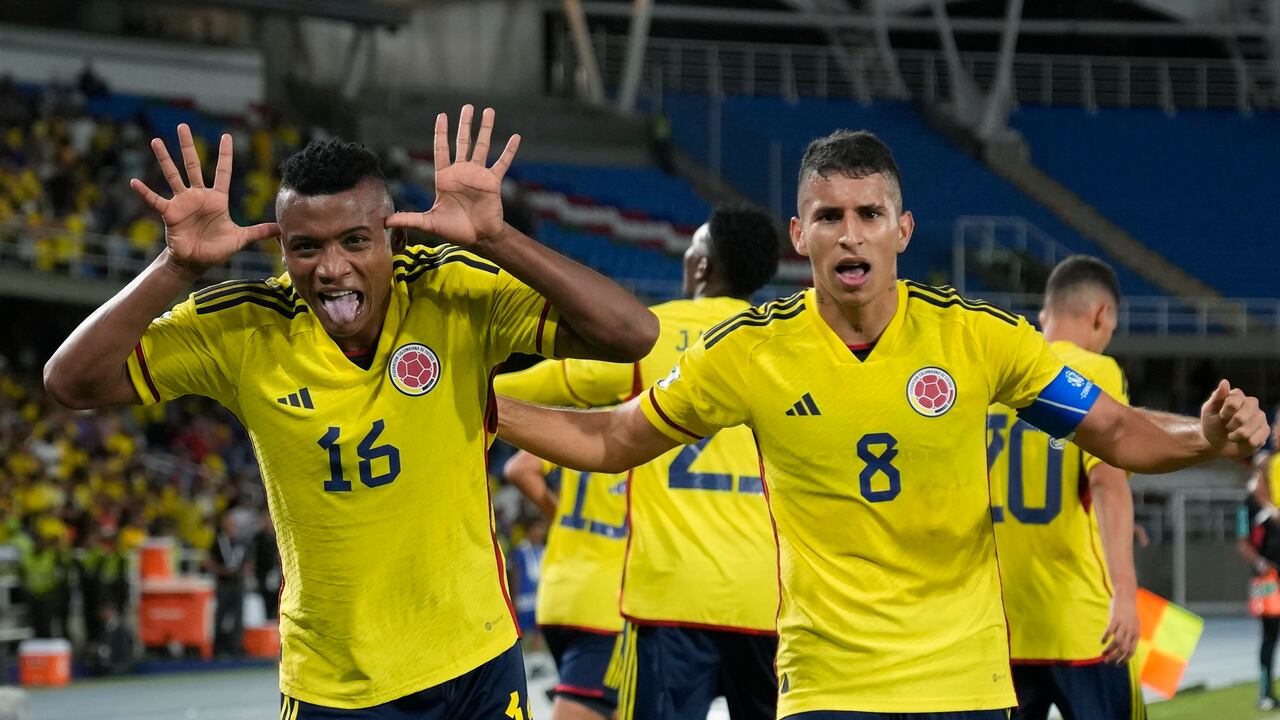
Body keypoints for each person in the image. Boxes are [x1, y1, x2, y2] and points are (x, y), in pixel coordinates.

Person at [493, 129, 1270, 719]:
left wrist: (1205, 437)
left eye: (871, 213)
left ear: (903, 230)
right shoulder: (750, 353)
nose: (851, 232)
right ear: (800, 236)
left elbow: (1115, 433)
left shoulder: (978, 339)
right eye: (828, 215)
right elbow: (613, 438)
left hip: (963, 682)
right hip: (827, 686)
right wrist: (488, 409)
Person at [42, 106, 658, 717]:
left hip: (477, 662)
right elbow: (70, 382)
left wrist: (499, 238)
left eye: (355, 241)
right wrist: (175, 268)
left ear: (394, 236)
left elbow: (631, 334)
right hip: (336, 687)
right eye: (306, 248)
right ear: (281, 248)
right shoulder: (242, 329)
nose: (332, 269)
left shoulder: (453, 294)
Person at [495, 204, 783, 720]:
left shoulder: (650, 335)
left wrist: (444, 387)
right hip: (768, 597)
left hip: (667, 597)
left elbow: (547, 383)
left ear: (700, 266)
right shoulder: (783, 344)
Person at [987, 256, 1144, 719]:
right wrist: (1127, 590)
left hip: (1001, 628)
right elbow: (1107, 482)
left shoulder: (999, 373)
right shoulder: (1096, 370)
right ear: (1102, 315)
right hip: (1082, 624)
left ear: (1045, 314)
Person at [502, 452, 627, 720]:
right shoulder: (646, 437)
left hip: (556, 597)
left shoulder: (578, 424)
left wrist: (561, 515)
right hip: (605, 605)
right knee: (581, 709)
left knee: (614, 708)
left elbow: (519, 468)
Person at [1242, 445, 1280, 710]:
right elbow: (1243, 542)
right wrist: (1260, 562)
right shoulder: (1248, 503)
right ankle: (1265, 693)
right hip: (1266, 578)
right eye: (1262, 466)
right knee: (1269, 635)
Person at [207, 509, 248, 657]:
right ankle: (217, 648)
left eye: (231, 522)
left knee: (238, 616)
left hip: (238, 583)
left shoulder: (241, 541)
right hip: (223, 584)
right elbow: (209, 562)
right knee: (220, 615)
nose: (230, 524)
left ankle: (235, 647)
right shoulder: (218, 541)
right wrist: (223, 571)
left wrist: (243, 572)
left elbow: (249, 561)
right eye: (227, 522)